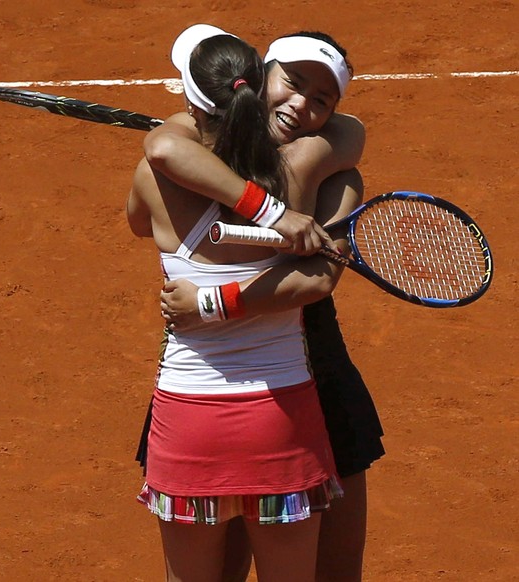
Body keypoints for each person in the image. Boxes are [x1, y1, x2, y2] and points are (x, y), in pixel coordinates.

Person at [141, 28, 385, 582]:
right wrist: (273, 212)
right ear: (256, 76)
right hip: (223, 391)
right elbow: (161, 145)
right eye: (292, 83)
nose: (300, 104)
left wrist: (212, 300)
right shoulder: (192, 146)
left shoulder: (325, 160)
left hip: (310, 378)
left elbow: (320, 277)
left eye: (321, 99)